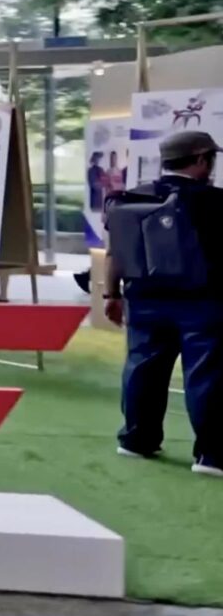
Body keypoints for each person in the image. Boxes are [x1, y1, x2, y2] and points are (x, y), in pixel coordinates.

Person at [104, 130, 222, 477]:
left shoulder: (128, 199)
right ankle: (212, 456)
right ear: (201, 159)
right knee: (207, 377)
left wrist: (111, 295)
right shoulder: (215, 201)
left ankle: (136, 440)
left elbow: (114, 253)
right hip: (204, 303)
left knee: (142, 368)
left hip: (144, 300)